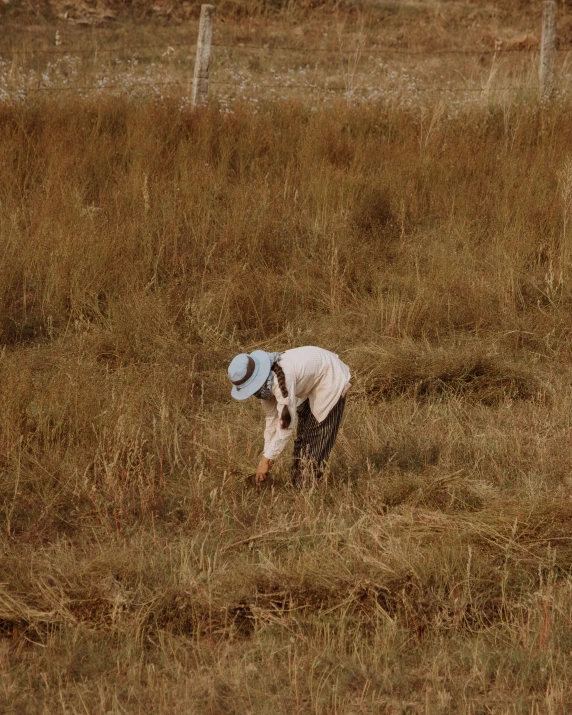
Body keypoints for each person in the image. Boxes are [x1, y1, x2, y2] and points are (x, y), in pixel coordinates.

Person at [227, 346, 351, 486]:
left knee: (317, 437)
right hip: (312, 381)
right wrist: (267, 455)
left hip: (330, 378)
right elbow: (272, 420)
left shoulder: (282, 379)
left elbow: (286, 426)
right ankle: (297, 482)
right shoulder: (265, 383)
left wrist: (265, 460)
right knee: (303, 436)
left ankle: (306, 486)